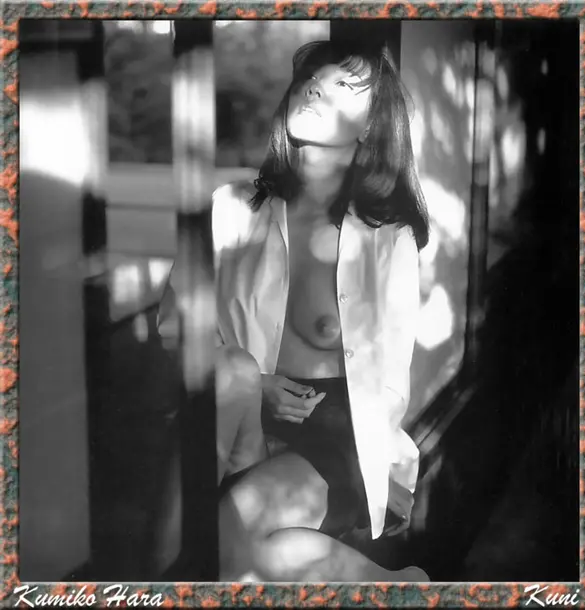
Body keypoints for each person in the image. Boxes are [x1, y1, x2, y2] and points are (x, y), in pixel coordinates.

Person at [159, 39, 430, 582]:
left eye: (343, 85)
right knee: (230, 376)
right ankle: (397, 587)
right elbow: (175, 327)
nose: (316, 89)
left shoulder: (388, 238)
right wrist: (257, 386)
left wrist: (384, 467)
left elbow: (389, 379)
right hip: (239, 411)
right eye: (312, 79)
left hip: (336, 433)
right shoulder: (230, 209)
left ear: (370, 126)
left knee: (230, 531)